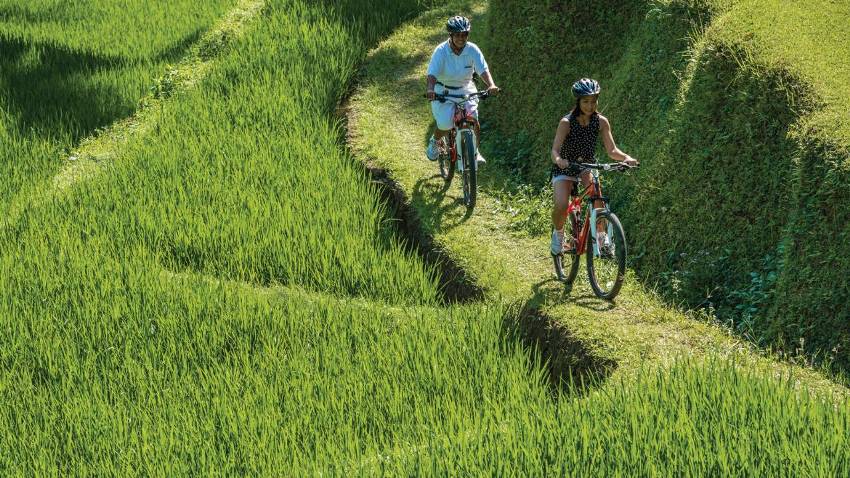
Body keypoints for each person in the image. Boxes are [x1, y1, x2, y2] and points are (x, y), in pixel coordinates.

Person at [549, 78, 639, 256]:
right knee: (561, 205)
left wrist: (626, 158)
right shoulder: (566, 122)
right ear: (578, 102)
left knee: (597, 198)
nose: (590, 106)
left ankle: (601, 238)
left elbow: (612, 150)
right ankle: (558, 234)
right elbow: (555, 150)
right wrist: (559, 160)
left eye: (593, 101)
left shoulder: (601, 122)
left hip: (586, 165)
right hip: (565, 167)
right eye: (586, 101)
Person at [425, 15, 500, 163]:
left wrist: (491, 85)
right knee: (445, 124)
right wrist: (430, 90)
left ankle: (475, 152)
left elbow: (483, 69)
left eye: (464, 34)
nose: (461, 38)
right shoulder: (441, 51)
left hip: (465, 88)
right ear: (451, 35)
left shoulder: (472, 49)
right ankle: (435, 141)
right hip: (443, 90)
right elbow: (432, 74)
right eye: (457, 35)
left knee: (473, 119)